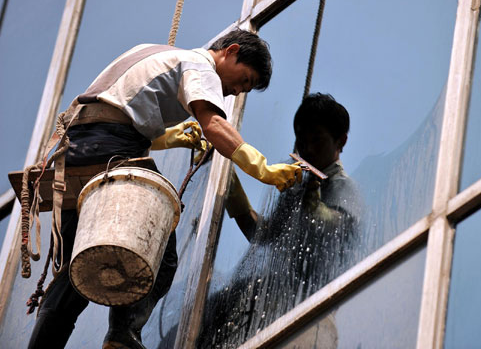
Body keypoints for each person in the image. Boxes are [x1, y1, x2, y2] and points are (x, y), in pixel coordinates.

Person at [27, 29, 302, 349]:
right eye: (245, 80)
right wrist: (264, 169)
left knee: (73, 278)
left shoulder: (156, 53)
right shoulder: (201, 66)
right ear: (230, 51)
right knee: (159, 252)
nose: (240, 91)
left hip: (75, 153)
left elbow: (119, 111)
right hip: (110, 148)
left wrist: (174, 137)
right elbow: (213, 125)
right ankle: (122, 335)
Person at [199, 93, 362, 348]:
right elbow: (263, 236)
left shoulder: (341, 186)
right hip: (274, 300)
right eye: (301, 140)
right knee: (210, 312)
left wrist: (315, 209)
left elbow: (340, 226)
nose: (307, 148)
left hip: (307, 311)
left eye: (316, 140)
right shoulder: (299, 186)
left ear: (340, 141)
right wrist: (231, 188)